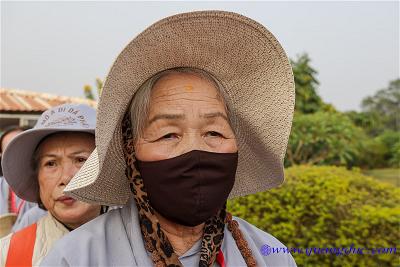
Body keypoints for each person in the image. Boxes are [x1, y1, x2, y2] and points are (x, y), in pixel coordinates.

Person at [42, 11, 297, 266]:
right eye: (168, 134)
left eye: (214, 132)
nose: (194, 149)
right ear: (131, 152)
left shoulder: (269, 255)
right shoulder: (78, 257)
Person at [0, 103, 102, 266]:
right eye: (51, 163)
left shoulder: (143, 241)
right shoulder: (8, 255)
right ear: (37, 177)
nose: (65, 178)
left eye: (80, 160)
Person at [0, 126, 46, 235]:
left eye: (20, 149)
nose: (15, 155)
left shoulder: (46, 186)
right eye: (8, 149)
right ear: (1, 156)